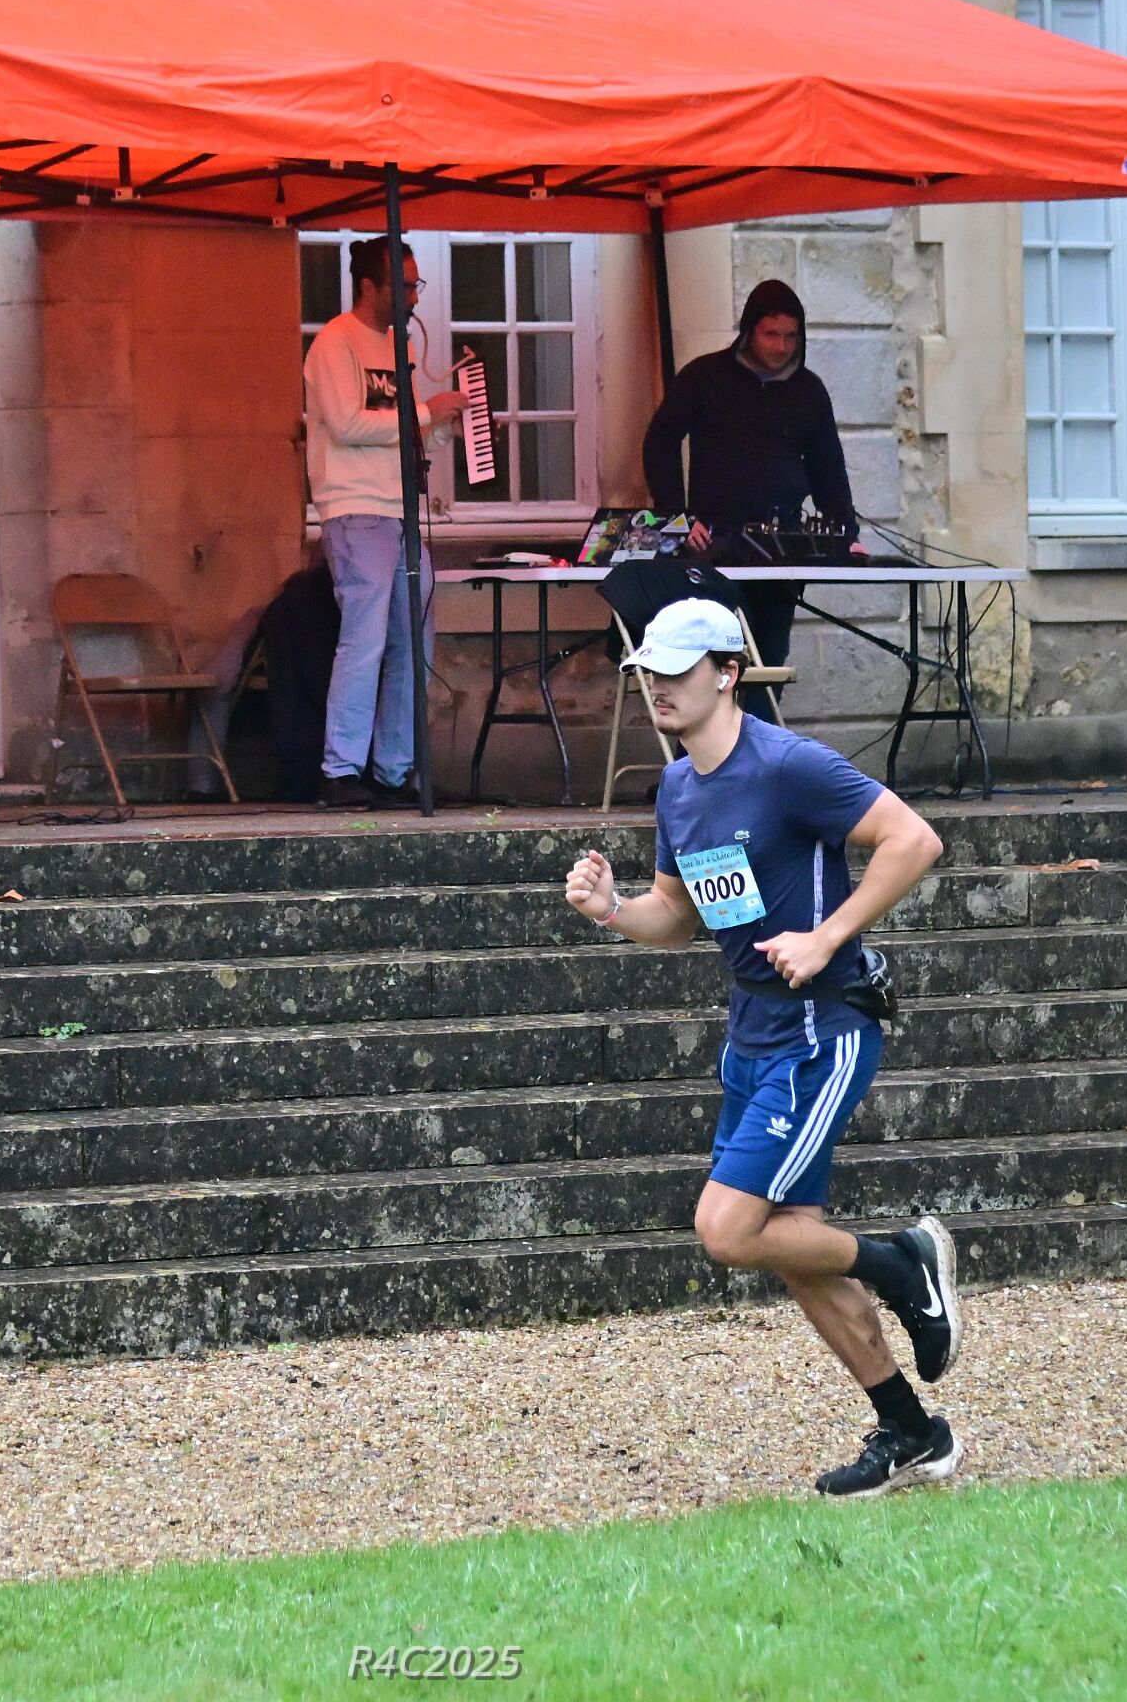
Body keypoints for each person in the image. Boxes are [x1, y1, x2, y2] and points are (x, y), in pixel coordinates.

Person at [561, 598, 961, 1498]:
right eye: (649, 673)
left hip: (822, 1029)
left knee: (727, 1228)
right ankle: (913, 1433)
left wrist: (827, 936)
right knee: (788, 1245)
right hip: (751, 1033)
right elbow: (678, 915)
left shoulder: (789, 767)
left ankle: (902, 1262)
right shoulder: (677, 789)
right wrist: (611, 909)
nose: (658, 687)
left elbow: (914, 840)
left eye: (677, 671)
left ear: (728, 674)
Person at [641, 279, 856, 716]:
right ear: (749, 330)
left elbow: (828, 468)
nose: (781, 347)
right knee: (712, 667)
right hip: (714, 548)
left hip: (781, 552)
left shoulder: (808, 391)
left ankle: (754, 752)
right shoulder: (705, 377)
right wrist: (676, 519)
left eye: (790, 336)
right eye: (770, 334)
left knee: (767, 665)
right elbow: (660, 441)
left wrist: (844, 533)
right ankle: (701, 755)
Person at [302, 236, 464, 809]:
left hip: (400, 510)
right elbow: (348, 424)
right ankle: (340, 768)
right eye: (406, 285)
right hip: (355, 508)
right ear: (370, 286)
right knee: (364, 641)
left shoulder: (401, 347)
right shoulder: (334, 341)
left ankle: (394, 769)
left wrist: (443, 428)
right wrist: (425, 413)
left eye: (417, 285)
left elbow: (402, 431)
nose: (414, 297)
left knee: (414, 644)